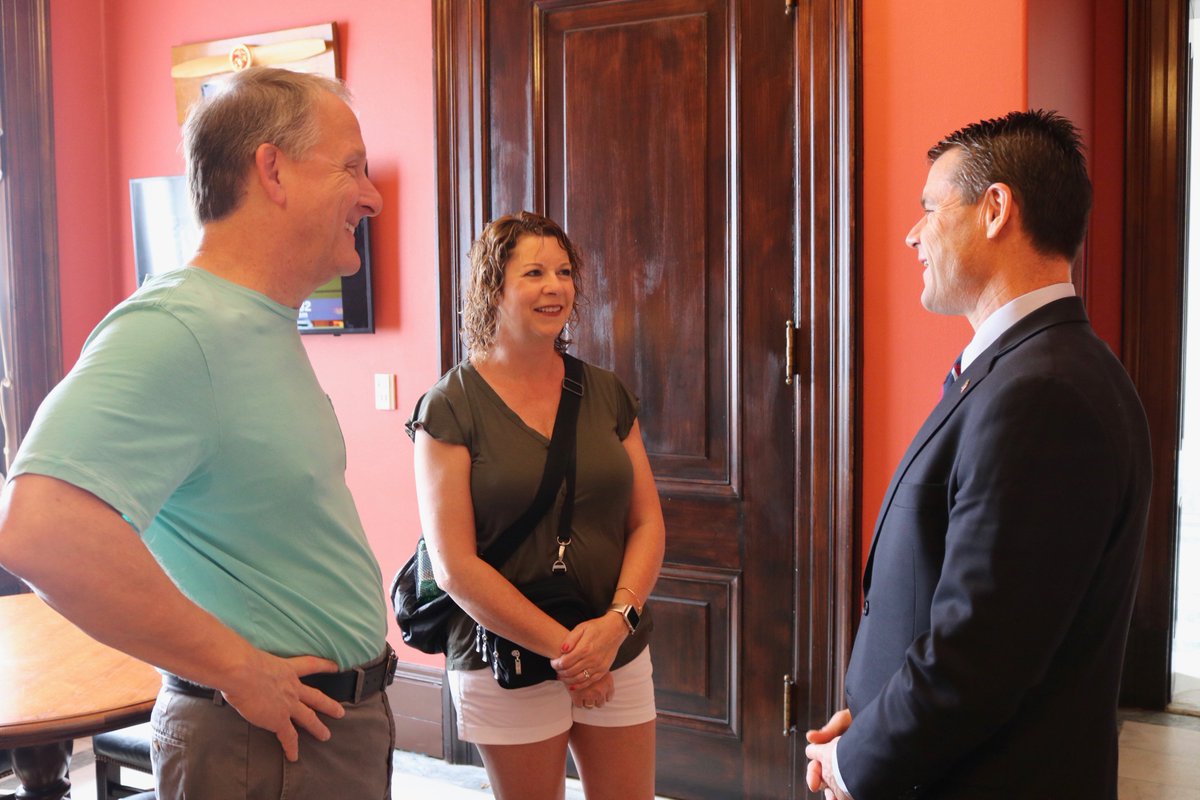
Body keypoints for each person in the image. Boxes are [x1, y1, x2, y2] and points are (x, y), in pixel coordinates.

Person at [0, 68, 394, 799]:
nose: (372, 196)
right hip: (263, 746)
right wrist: (238, 669)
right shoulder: (178, 328)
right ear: (272, 170)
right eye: (351, 167)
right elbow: (39, 533)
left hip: (313, 736)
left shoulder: (256, 324)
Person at [805, 110, 1152, 799]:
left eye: (930, 208)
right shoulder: (1025, 369)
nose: (912, 233)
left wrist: (854, 762)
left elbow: (978, 653)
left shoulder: (1044, 393)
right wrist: (870, 730)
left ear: (995, 209)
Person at [408, 211, 665, 799]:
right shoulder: (449, 406)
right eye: (534, 273)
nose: (555, 286)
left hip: (615, 644)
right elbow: (453, 566)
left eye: (564, 272)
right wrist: (571, 653)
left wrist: (615, 626)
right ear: (493, 287)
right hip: (505, 658)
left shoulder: (606, 392)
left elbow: (647, 521)